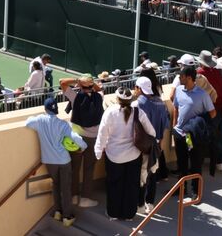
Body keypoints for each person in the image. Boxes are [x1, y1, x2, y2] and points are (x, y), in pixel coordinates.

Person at [94, 88, 156, 221]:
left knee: (114, 185)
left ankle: (113, 213)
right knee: (131, 185)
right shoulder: (138, 112)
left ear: (117, 99)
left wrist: (98, 152)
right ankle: (129, 214)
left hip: (114, 156)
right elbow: (152, 132)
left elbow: (102, 134)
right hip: (134, 156)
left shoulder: (110, 112)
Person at [25, 97, 86, 228]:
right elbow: (75, 137)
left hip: (49, 161)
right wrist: (83, 146)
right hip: (63, 160)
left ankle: (57, 211)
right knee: (66, 188)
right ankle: (67, 217)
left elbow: (27, 123)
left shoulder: (40, 120)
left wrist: (38, 116)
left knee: (56, 185)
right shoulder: (63, 124)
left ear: (45, 109)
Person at [171, 65, 215, 196]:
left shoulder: (202, 94)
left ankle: (196, 191)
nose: (179, 78)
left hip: (190, 137)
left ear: (189, 78)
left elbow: (212, 113)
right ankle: (181, 189)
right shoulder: (179, 90)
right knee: (181, 162)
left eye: (181, 76)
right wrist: (174, 127)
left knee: (195, 162)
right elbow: (176, 108)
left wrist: (196, 123)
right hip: (179, 133)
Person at [65, 75, 104, 208]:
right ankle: (85, 198)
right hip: (93, 139)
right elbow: (99, 89)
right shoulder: (99, 97)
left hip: (77, 139)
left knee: (74, 168)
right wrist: (90, 83)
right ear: (92, 86)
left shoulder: (75, 97)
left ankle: (74, 196)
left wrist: (78, 81)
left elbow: (62, 83)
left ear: (81, 86)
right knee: (89, 169)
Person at [135, 76, 170, 213]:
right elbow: (165, 125)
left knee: (142, 175)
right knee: (152, 173)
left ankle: (140, 205)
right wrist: (161, 143)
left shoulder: (138, 104)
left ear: (139, 88)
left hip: (142, 146)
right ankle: (150, 203)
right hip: (156, 144)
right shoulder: (160, 103)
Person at [195, 50, 222, 175]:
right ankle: (221, 160)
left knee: (210, 136)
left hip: (210, 109)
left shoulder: (199, 74)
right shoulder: (220, 72)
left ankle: (209, 160)